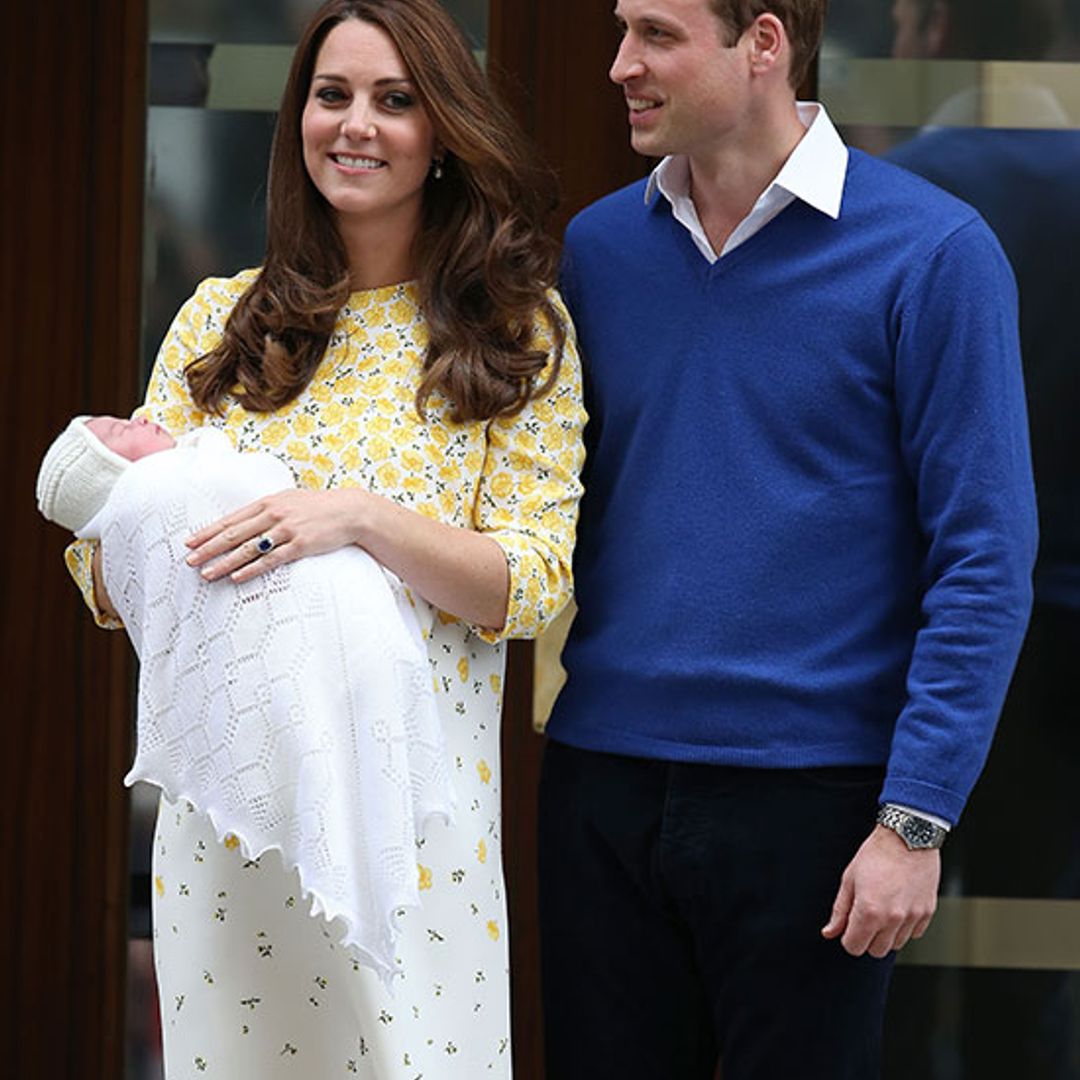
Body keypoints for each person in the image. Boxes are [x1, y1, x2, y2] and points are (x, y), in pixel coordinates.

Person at [60, 0, 586, 1076]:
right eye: (332, 95)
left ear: (442, 131)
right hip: (232, 820)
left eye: (395, 101)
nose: (357, 124)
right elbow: (108, 573)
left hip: (416, 832)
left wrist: (354, 521)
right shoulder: (219, 321)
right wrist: (136, 514)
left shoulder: (513, 331)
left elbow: (530, 584)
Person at [538, 1, 1037, 1078]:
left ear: (763, 44)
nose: (621, 63)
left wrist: (914, 822)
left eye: (658, 35)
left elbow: (985, 560)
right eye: (624, 29)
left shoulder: (935, 253)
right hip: (603, 788)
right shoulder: (599, 249)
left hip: (816, 804)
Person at [37, 413, 453, 983]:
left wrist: (359, 516)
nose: (136, 418)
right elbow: (107, 561)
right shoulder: (161, 477)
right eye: (112, 433)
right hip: (248, 782)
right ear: (115, 468)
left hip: (395, 699)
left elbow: (533, 581)